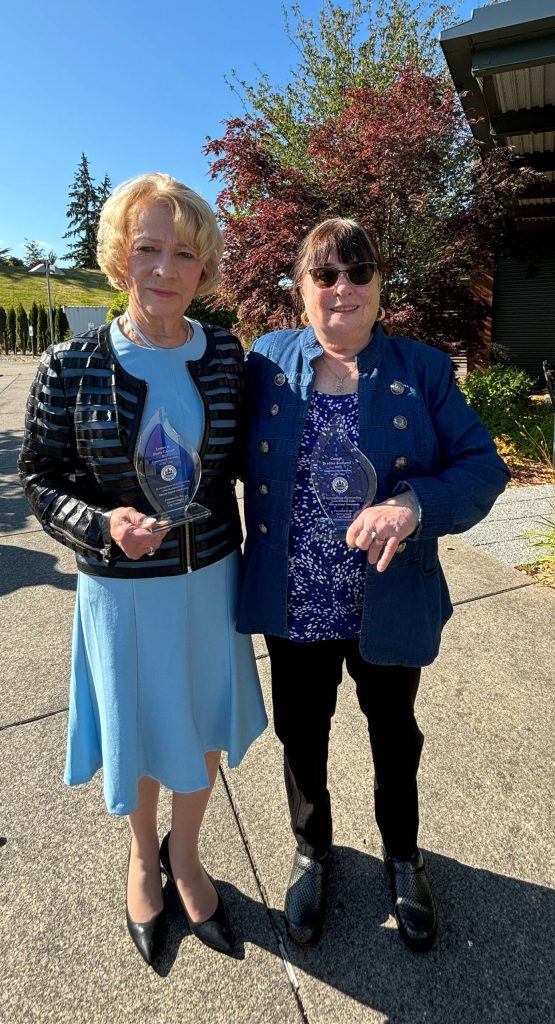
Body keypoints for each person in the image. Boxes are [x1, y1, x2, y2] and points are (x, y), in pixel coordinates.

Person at [237, 217, 509, 951]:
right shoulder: (265, 362)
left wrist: (412, 503)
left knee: (394, 734)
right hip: (292, 601)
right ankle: (310, 849)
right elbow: (209, 445)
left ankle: (402, 856)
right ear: (300, 290)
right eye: (324, 274)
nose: (342, 288)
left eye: (357, 273)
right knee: (301, 733)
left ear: (380, 288)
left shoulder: (420, 370)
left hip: (386, 600)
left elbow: (484, 467)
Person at [18, 172, 267, 966]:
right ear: (121, 256)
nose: (163, 267)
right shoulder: (71, 362)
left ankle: (186, 858)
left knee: (197, 731)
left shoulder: (225, 353)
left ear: (204, 270)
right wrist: (98, 522)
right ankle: (139, 858)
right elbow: (39, 474)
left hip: (208, 582)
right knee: (139, 728)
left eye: (183, 253)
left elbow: (258, 459)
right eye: (147, 247)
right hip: (121, 593)